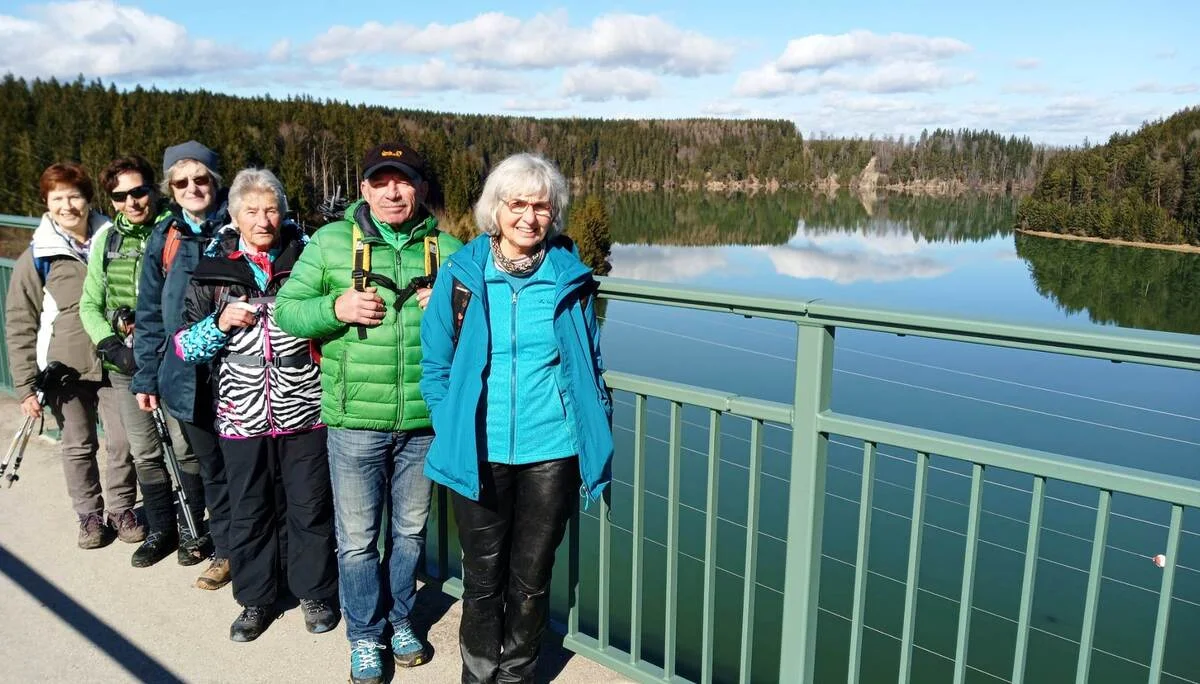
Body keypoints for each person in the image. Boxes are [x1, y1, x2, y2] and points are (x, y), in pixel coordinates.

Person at [418, 152, 613, 683]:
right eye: (517, 204)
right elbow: (434, 362)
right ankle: (478, 675)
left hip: (552, 449)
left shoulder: (569, 279)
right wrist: (450, 418)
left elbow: (590, 363)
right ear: (495, 210)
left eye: (542, 206)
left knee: (531, 577)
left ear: (555, 214)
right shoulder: (462, 275)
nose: (529, 217)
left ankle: (518, 675)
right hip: (477, 449)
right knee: (482, 578)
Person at [275, 141, 462, 684]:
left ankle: (399, 620)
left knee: (408, 533)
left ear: (420, 189)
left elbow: (482, 325)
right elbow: (287, 311)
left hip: (424, 422)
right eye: (381, 182)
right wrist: (336, 308)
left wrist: (457, 309)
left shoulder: (449, 249)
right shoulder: (332, 242)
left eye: (403, 181)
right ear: (364, 189)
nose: (393, 191)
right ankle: (363, 636)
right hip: (355, 420)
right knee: (357, 538)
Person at [175, 168, 339, 642]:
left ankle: (313, 591)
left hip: (305, 411)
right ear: (235, 216)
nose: (263, 220)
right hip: (239, 416)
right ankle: (255, 600)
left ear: (284, 213)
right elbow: (185, 346)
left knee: (309, 506)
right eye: (252, 210)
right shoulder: (213, 270)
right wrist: (220, 323)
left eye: (271, 209)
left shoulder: (308, 261)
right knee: (249, 510)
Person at [4, 162, 142, 549]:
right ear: (46, 204)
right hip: (66, 367)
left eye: (74, 196)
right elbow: (19, 320)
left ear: (88, 200)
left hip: (116, 358)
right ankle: (89, 515)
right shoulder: (38, 256)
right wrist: (26, 385)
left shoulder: (113, 238)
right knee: (78, 444)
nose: (67, 206)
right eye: (57, 198)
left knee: (123, 441)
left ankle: (122, 507)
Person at [80, 154, 207, 568]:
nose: (132, 202)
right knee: (145, 451)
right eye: (120, 196)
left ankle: (194, 528)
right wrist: (111, 346)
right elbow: (89, 306)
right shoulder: (106, 241)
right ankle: (161, 528)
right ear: (111, 199)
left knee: (186, 449)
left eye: (139, 191)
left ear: (154, 190)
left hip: (172, 362)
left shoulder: (174, 231)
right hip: (126, 368)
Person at [132, 140, 233, 589]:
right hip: (184, 376)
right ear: (170, 189)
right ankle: (228, 553)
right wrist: (146, 376)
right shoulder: (166, 237)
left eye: (201, 179)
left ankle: (263, 555)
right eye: (182, 181)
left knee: (250, 472)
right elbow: (150, 312)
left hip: (239, 377)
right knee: (213, 470)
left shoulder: (239, 225)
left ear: (216, 182)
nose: (193, 188)